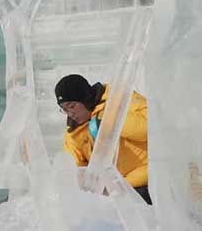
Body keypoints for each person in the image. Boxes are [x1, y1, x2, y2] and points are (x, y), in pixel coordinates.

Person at [56, 74, 151, 204]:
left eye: (72, 106)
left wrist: (110, 122)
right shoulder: (74, 133)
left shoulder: (119, 98)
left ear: (85, 99)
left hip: (151, 179)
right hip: (119, 192)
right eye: (64, 109)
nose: (70, 114)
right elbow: (76, 170)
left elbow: (151, 129)